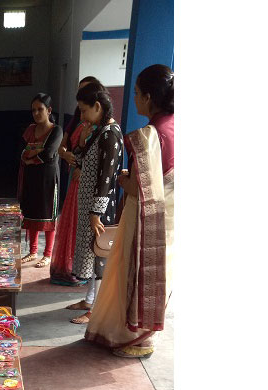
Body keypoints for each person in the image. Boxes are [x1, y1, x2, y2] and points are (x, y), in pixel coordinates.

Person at [86, 65, 174, 358]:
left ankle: (135, 338)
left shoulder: (150, 136)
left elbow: (139, 188)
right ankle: (143, 334)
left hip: (145, 218)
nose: (134, 98)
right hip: (170, 220)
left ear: (148, 97)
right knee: (159, 276)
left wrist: (123, 180)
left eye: (136, 93)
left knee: (133, 273)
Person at [68, 82, 123, 325]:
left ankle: (96, 310)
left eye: (84, 110)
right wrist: (79, 145)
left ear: (97, 107)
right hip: (91, 207)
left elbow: (106, 178)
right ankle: (89, 300)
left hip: (100, 209)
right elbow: (82, 160)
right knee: (92, 254)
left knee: (100, 255)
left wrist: (96, 213)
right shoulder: (99, 132)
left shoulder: (111, 135)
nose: (81, 116)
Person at [49, 76, 103, 283]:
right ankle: (66, 266)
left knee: (83, 224)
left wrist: (83, 165)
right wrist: (67, 155)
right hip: (74, 176)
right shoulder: (77, 119)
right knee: (71, 219)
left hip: (88, 181)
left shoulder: (103, 127)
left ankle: (81, 270)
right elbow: (62, 147)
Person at [18, 93, 63, 266]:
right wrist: (34, 152)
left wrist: (31, 155)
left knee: (48, 215)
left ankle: (48, 254)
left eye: (40, 109)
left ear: (49, 110)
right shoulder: (30, 129)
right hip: (31, 177)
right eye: (33, 110)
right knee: (32, 213)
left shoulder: (56, 130)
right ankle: (33, 251)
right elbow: (22, 151)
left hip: (48, 179)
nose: (36, 113)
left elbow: (49, 154)